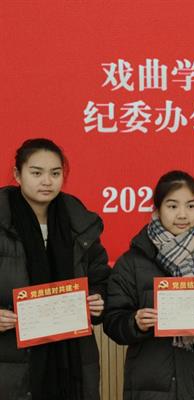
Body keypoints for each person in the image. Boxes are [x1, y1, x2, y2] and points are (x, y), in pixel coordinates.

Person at [103, 170, 194, 400]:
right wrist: (135, 322)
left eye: (191, 206)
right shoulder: (133, 261)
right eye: (172, 206)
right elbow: (113, 321)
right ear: (157, 208)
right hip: (150, 385)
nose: (182, 214)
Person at [0, 138, 110, 400]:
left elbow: (101, 279)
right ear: (18, 174)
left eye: (55, 173)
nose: (47, 181)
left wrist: (98, 299)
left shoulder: (80, 223)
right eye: (36, 173)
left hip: (73, 358)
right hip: (11, 360)